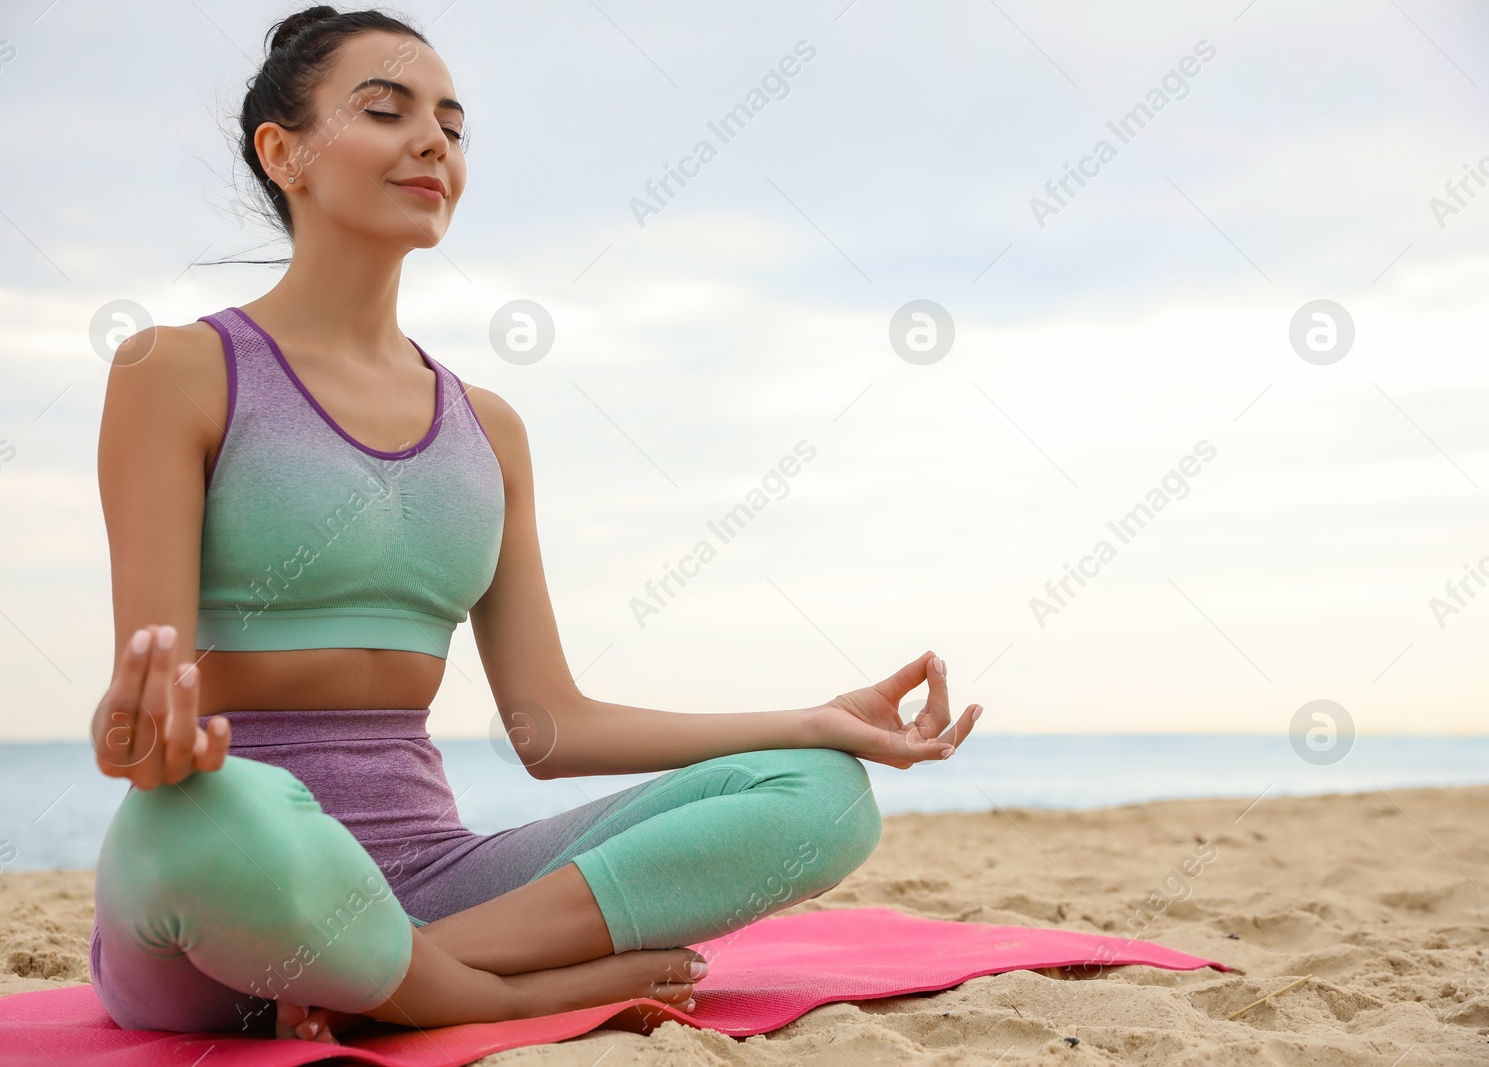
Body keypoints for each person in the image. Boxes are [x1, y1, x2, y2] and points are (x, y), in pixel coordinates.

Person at [88, 5, 982, 1043]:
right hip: (235, 882)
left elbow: (550, 726)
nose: (434, 142)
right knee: (220, 814)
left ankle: (398, 973)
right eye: (386, 111)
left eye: (453, 126)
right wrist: (141, 742)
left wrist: (813, 719)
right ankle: (496, 989)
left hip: (438, 881)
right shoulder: (177, 370)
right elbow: (154, 723)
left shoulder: (489, 427)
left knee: (824, 795)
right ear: (283, 153)